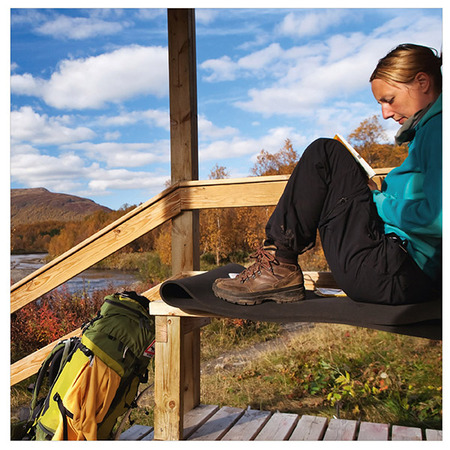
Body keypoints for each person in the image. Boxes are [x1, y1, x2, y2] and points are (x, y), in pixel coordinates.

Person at [213, 43, 442, 306]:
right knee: (338, 162)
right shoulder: (428, 133)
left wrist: (376, 200)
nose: (385, 113)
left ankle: (279, 263)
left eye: (389, 100)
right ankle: (278, 262)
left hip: (395, 274)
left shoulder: (438, 130)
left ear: (422, 82)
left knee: (326, 153)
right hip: (399, 273)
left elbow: (440, 219)